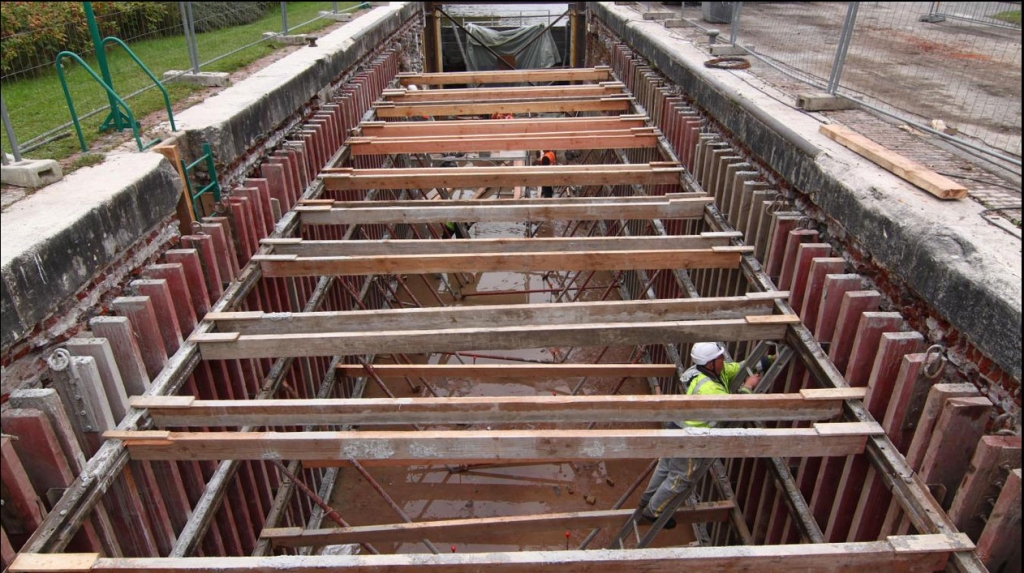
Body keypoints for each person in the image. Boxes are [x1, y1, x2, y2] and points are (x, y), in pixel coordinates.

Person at [636, 342, 763, 529]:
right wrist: (748, 388)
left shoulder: (706, 372)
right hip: (689, 439)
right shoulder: (709, 389)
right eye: (720, 358)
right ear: (710, 363)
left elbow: (738, 367)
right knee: (680, 478)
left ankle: (646, 500)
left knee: (665, 467)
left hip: (677, 428)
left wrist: (767, 361)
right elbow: (736, 408)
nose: (723, 360)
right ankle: (653, 512)